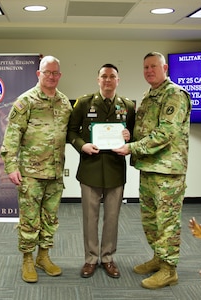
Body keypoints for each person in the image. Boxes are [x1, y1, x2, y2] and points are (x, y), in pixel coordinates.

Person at [113, 52, 191, 289]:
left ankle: (169, 270)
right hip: (149, 167)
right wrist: (129, 135)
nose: (148, 70)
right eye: (145, 67)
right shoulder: (149, 95)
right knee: (150, 220)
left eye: (153, 66)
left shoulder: (175, 94)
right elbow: (145, 129)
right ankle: (159, 257)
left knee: (167, 221)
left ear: (164, 67)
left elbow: (165, 133)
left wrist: (131, 147)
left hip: (167, 171)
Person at [0, 55, 72, 283]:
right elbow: (12, 136)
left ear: (59, 75)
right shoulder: (26, 101)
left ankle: (44, 256)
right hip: (31, 173)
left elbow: (71, 133)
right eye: (47, 72)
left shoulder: (64, 103)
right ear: (38, 74)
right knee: (30, 219)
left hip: (55, 173)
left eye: (55, 73)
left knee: (50, 219)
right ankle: (27, 260)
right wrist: (11, 166)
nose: (51, 76)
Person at [68, 63, 136, 279]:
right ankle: (90, 259)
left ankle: (107, 258)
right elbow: (71, 132)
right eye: (104, 76)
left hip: (116, 170)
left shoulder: (128, 106)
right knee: (90, 217)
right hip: (90, 169)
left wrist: (128, 138)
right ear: (98, 80)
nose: (108, 80)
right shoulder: (84, 103)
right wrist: (82, 146)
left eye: (112, 77)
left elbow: (134, 134)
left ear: (118, 80)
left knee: (112, 218)